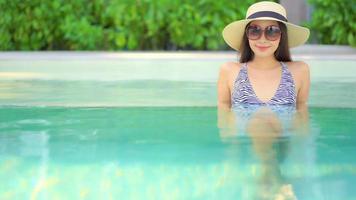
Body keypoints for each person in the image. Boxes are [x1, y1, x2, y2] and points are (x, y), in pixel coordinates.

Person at [216, 2, 311, 199]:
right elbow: (224, 111)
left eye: (272, 31)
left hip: (282, 138)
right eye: (255, 30)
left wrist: (300, 146)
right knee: (260, 120)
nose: (262, 38)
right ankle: (274, 180)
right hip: (246, 138)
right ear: (246, 35)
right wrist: (231, 152)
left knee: (263, 119)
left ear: (282, 36)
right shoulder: (229, 70)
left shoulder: (299, 70)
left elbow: (301, 113)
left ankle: (265, 183)